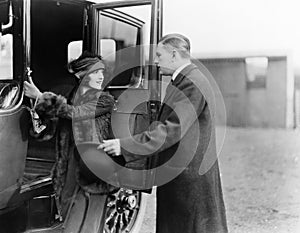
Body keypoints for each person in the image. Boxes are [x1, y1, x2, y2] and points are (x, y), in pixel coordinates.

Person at [99, 34, 228, 233]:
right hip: (184, 174)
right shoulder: (187, 79)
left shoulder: (191, 83)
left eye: (159, 55)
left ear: (174, 54)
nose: (156, 61)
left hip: (187, 179)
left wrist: (125, 145)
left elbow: (170, 129)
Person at [24, 51, 117, 225]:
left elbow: (75, 114)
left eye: (102, 72)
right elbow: (47, 131)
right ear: (79, 75)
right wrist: (38, 115)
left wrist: (40, 97)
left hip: (93, 173)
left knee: (85, 223)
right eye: (95, 72)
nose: (100, 77)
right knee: (68, 217)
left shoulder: (105, 100)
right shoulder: (70, 100)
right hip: (69, 170)